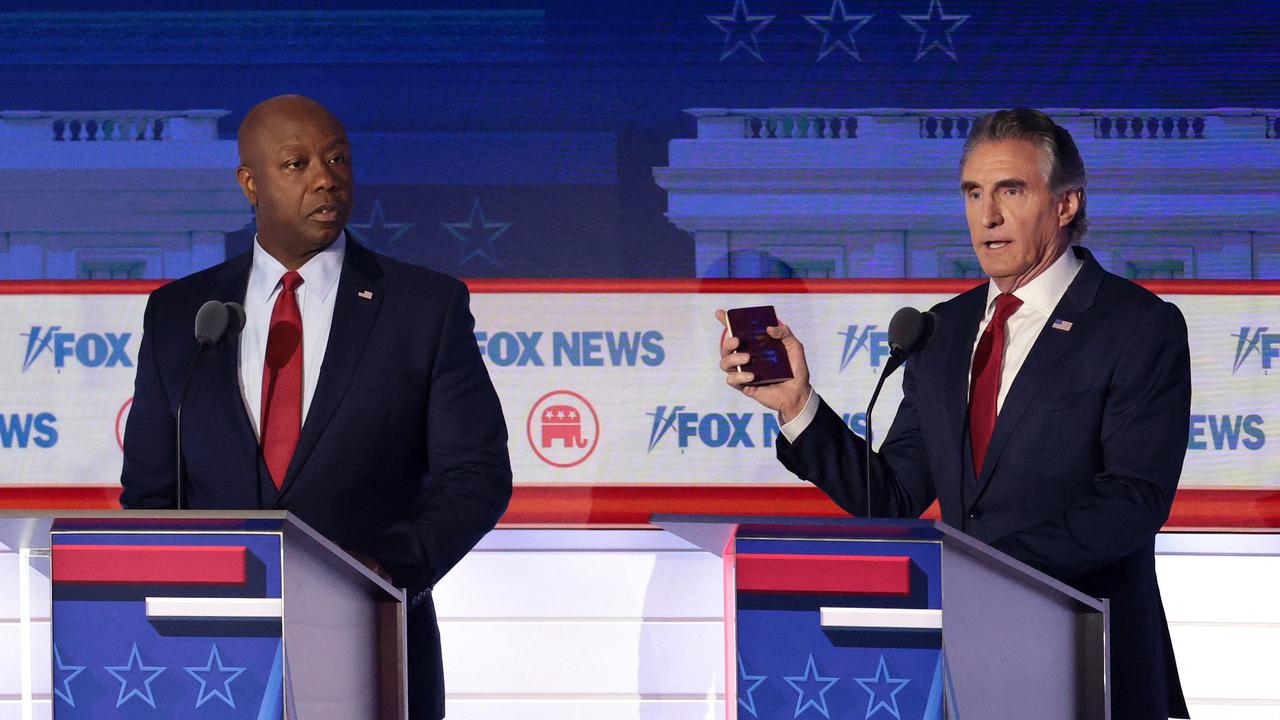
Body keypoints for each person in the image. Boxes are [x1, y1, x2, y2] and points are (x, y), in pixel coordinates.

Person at [718, 108, 1190, 719]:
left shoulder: (1137, 325)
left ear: (1067, 203)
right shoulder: (943, 330)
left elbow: (1132, 502)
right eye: (973, 193)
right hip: (964, 666)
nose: (986, 215)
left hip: (1089, 656)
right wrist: (797, 405)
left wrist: (982, 571)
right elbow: (892, 497)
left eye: (1010, 191)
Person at [120, 94, 512, 720]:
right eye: (296, 164)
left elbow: (478, 475)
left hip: (372, 646)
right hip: (209, 657)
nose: (326, 179)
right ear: (250, 183)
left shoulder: (422, 307)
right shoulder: (181, 315)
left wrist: (383, 574)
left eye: (338, 160)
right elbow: (149, 493)